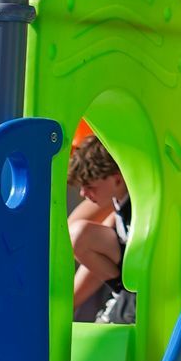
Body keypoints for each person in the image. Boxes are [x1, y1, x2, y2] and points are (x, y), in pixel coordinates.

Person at [68, 131, 136, 325]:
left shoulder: (137, 205)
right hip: (127, 275)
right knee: (79, 236)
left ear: (117, 179)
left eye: (90, 186)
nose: (83, 193)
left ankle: (127, 296)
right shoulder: (118, 200)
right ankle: (121, 293)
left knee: (79, 235)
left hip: (146, 278)